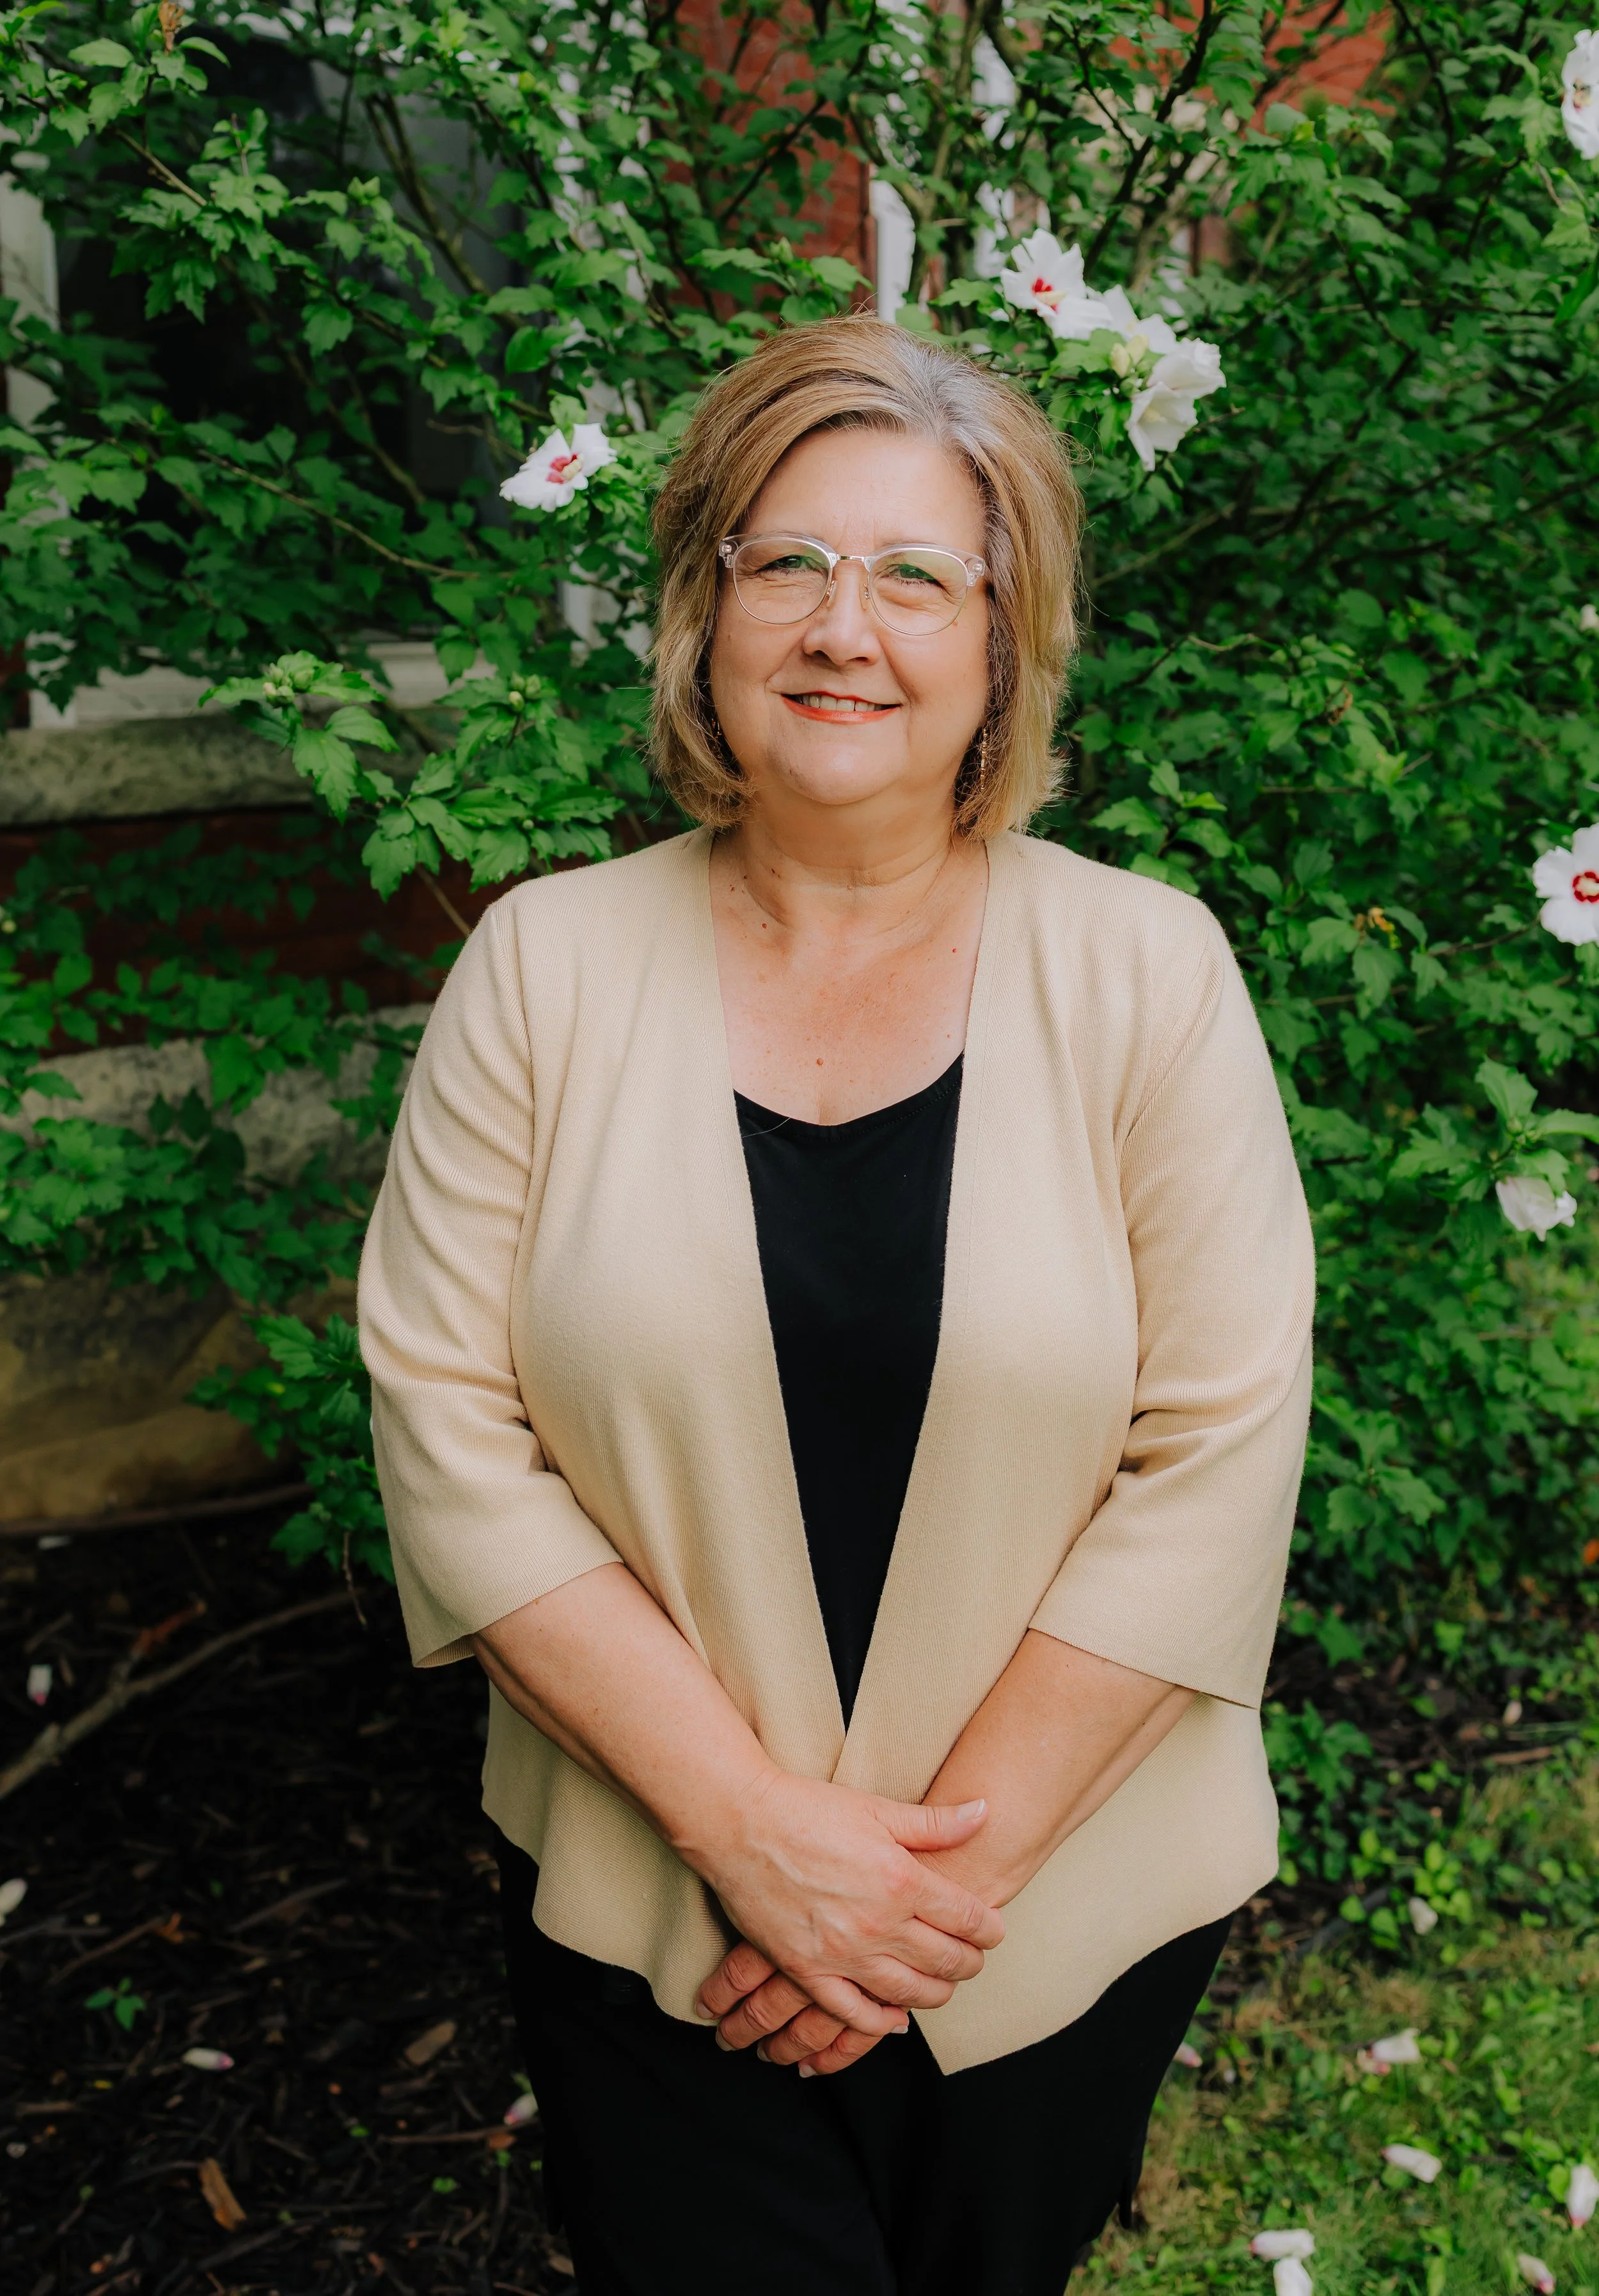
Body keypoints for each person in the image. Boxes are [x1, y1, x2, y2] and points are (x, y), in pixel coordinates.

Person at [359, 315, 1314, 2296]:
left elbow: (1218, 1444)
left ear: (999, 646)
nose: (837, 626)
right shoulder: (539, 974)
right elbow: (447, 1425)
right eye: (783, 561)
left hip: (1046, 1918)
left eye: (910, 575)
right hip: (654, 1903)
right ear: (704, 612)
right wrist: (756, 1842)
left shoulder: (1147, 975)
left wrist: (913, 1894)